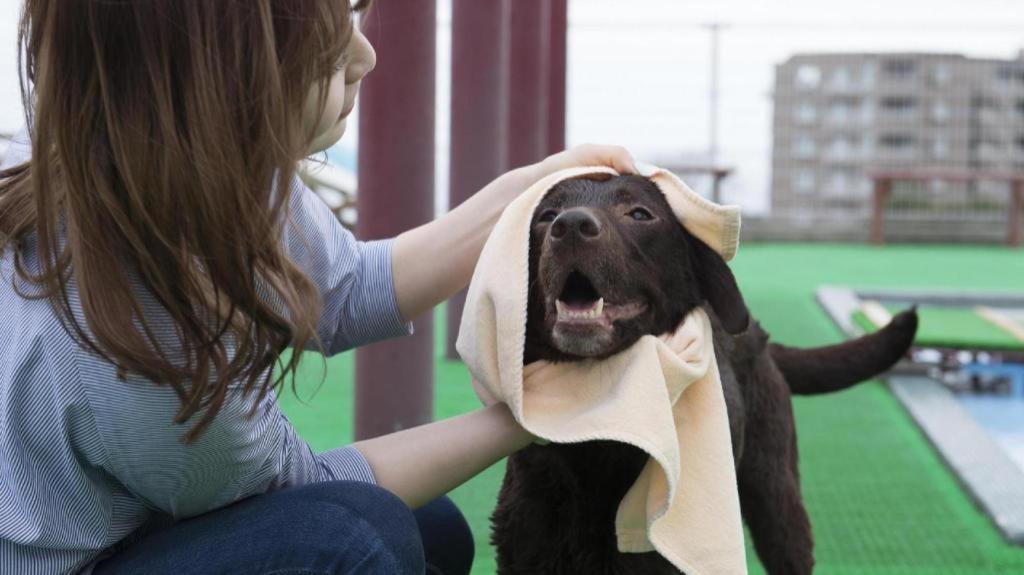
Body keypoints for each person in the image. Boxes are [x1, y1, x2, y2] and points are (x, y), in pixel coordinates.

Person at [0, 1, 636, 574]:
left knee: (431, 528)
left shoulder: (167, 160)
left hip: (125, 524)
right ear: (231, 81)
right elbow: (300, 496)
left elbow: (350, 288)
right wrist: (536, 410)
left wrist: (530, 191)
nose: (366, 56)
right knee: (351, 540)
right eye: (326, 53)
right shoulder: (142, 333)